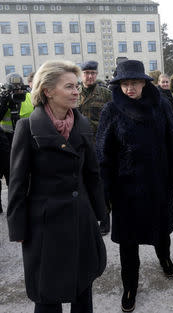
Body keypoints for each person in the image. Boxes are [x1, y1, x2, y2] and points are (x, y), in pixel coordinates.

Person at [7, 60, 107, 313]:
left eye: (77, 86)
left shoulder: (82, 124)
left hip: (81, 221)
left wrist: (101, 214)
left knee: (83, 289)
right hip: (44, 226)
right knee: (47, 293)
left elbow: (92, 174)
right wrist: (18, 228)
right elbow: (17, 182)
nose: (76, 92)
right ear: (48, 91)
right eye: (69, 87)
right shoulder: (27, 127)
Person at [96, 60, 173, 312]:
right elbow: (102, 154)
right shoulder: (111, 110)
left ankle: (164, 258)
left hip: (158, 182)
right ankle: (130, 286)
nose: (129, 89)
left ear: (144, 83)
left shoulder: (160, 105)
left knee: (162, 230)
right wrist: (103, 191)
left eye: (134, 83)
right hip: (125, 189)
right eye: (124, 84)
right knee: (128, 242)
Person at [77, 60, 112, 236]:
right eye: (86, 73)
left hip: (99, 146)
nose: (89, 76)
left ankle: (105, 219)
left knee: (101, 183)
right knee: (81, 183)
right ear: (81, 74)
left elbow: (112, 120)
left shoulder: (105, 94)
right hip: (78, 147)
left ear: (96, 75)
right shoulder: (73, 92)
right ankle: (88, 219)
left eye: (93, 73)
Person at [0, 73, 34, 213]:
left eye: (19, 89)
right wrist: (4, 103)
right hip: (4, 140)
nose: (17, 93)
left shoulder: (29, 98)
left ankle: (22, 203)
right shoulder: (2, 99)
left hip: (25, 140)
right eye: (13, 90)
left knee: (22, 175)